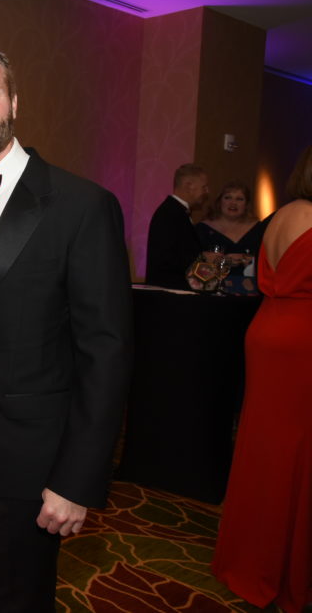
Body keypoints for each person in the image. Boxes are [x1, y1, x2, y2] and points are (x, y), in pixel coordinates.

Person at [0, 45, 132, 611]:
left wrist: (77, 480)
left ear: (13, 103)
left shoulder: (82, 206)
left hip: (32, 467)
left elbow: (106, 354)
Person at [212, 146, 312, 613]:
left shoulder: (280, 214)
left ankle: (251, 558)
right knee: (296, 452)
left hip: (267, 328)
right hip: (302, 338)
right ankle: (286, 567)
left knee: (263, 447)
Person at [145, 163, 208, 289]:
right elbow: (167, 257)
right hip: (170, 292)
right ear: (189, 186)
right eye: (204, 187)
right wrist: (203, 258)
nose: (207, 192)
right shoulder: (170, 213)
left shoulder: (176, 211)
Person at [196, 181, 265, 294]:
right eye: (228, 198)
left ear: (247, 204)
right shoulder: (202, 228)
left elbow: (268, 260)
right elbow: (190, 259)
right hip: (212, 292)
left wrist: (249, 260)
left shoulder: (259, 228)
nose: (233, 203)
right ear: (219, 202)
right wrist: (213, 259)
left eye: (239, 199)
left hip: (251, 293)